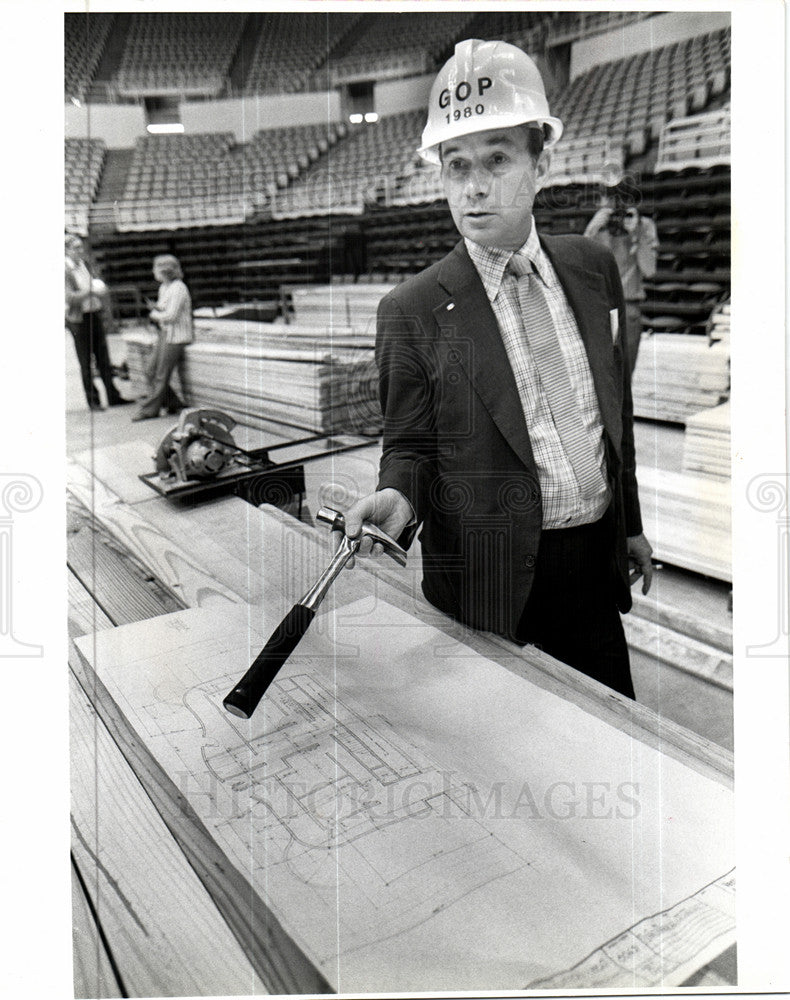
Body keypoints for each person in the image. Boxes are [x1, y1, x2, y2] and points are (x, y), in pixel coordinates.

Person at [338, 39, 653, 699]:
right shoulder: (413, 309)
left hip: (594, 570)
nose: (475, 187)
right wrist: (398, 497)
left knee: (609, 746)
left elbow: (610, 410)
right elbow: (411, 446)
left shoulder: (593, 268)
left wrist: (629, 526)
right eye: (456, 166)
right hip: (491, 587)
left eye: (498, 159)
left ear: (541, 161)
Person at [584, 191, 658, 374]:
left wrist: (636, 236)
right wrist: (591, 230)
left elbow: (650, 270)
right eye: (608, 198)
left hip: (627, 307)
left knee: (622, 378)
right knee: (596, 376)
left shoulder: (643, 225)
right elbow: (578, 266)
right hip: (598, 308)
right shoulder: (599, 227)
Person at [65, 234, 130, 410]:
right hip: (79, 319)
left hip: (94, 312)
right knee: (85, 360)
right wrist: (91, 291)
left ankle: (113, 395)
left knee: (103, 356)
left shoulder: (85, 265)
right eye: (76, 248)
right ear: (66, 250)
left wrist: (98, 290)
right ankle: (93, 400)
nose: (80, 251)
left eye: (81, 247)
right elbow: (70, 297)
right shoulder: (65, 270)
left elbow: (95, 283)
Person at [132, 254, 193, 421]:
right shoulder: (164, 288)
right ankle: (174, 403)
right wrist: (157, 307)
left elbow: (172, 315)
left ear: (165, 271)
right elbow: (165, 309)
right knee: (150, 371)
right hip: (165, 334)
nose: (154, 272)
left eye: (156, 269)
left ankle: (149, 410)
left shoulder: (179, 288)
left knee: (161, 374)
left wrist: (154, 314)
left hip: (177, 336)